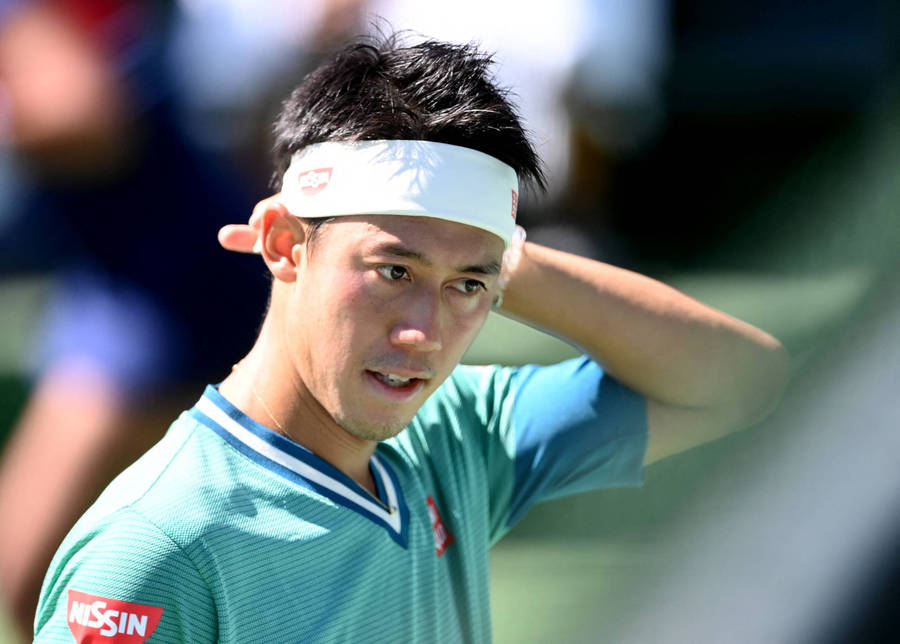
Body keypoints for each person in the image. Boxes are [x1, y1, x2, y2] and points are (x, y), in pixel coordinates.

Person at [32, 35, 788, 642]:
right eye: (393, 270)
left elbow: (742, 378)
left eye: (468, 288)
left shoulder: (456, 431)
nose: (424, 332)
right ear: (284, 244)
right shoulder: (151, 548)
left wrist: (494, 254)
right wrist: (466, 250)